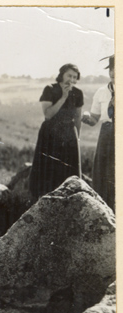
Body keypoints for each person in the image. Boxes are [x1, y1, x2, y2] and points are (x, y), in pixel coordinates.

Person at [28, 64, 84, 201]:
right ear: (62, 75)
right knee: (47, 170)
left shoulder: (78, 93)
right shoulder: (50, 89)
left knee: (69, 172)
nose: (71, 79)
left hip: (68, 134)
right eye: (69, 75)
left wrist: (76, 138)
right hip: (50, 133)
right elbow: (48, 115)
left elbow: (77, 117)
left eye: (74, 77)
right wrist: (63, 97)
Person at [82, 55, 115, 211]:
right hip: (107, 134)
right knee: (103, 173)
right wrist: (84, 116)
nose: (116, 72)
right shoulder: (102, 92)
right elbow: (94, 119)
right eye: (113, 69)